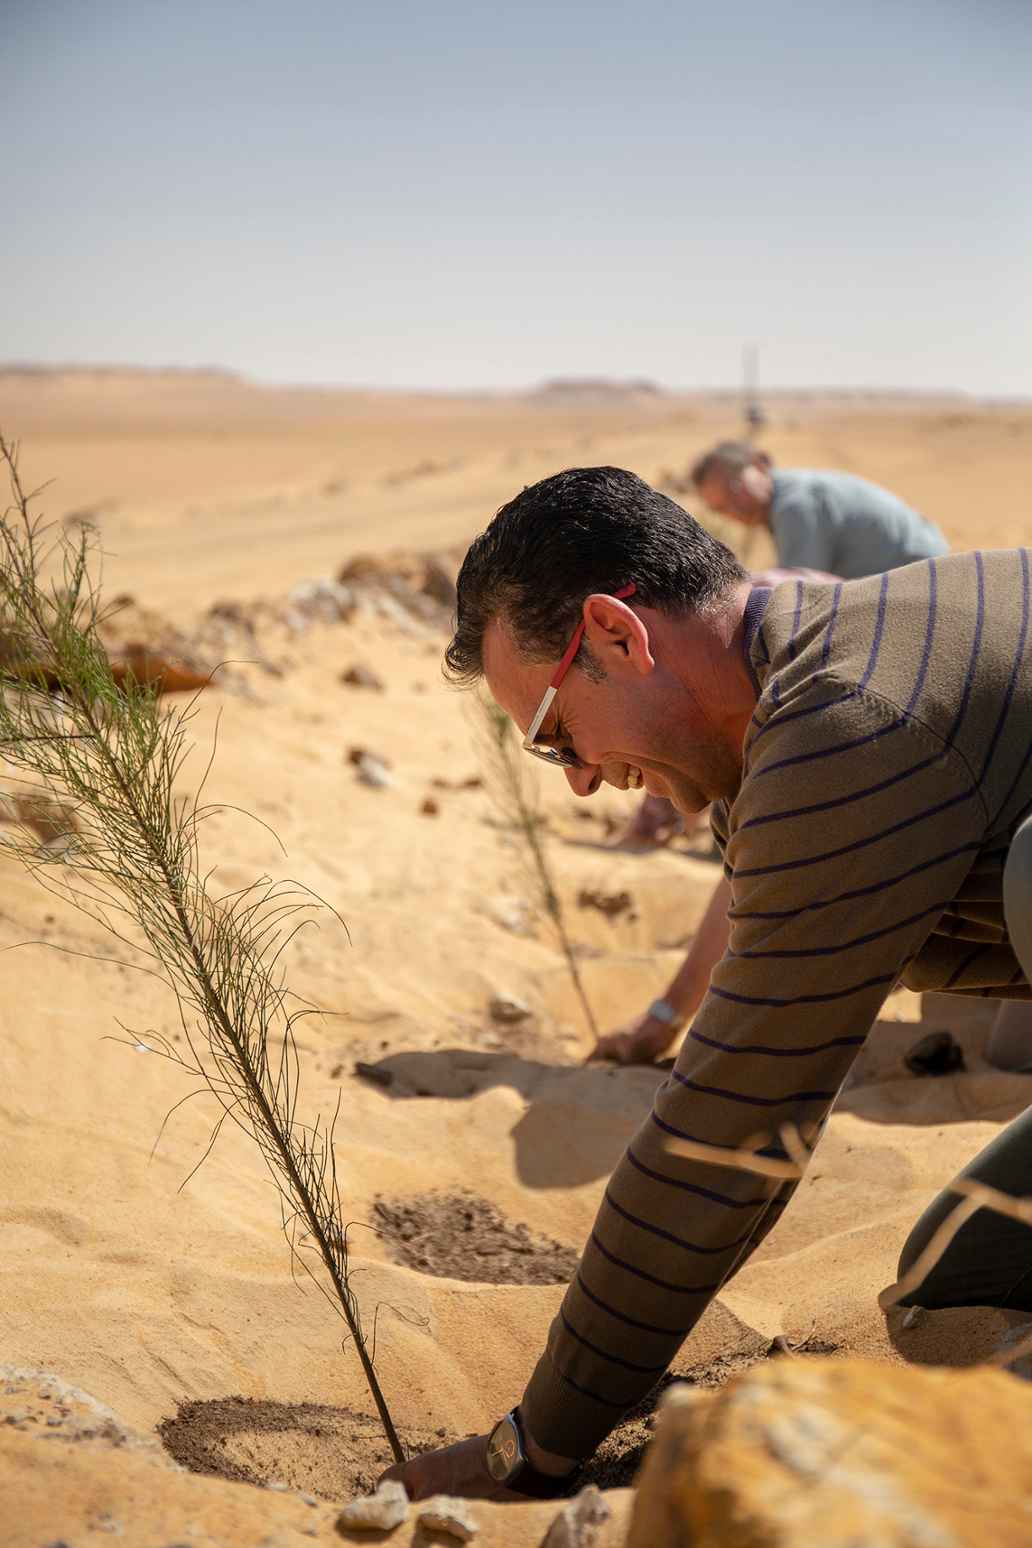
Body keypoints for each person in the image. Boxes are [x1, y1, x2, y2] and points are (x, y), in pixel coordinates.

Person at [383, 466, 1032, 1503]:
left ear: (615, 635)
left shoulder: (844, 715)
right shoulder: (803, 665)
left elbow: (728, 1137)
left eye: (555, 736)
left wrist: (537, 1445)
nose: (584, 779)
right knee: (962, 1280)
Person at [691, 440, 948, 576]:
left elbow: (799, 589)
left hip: (920, 575)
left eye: (736, 488)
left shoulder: (794, 506)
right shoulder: (786, 499)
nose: (735, 509)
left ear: (759, 466)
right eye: (722, 508)